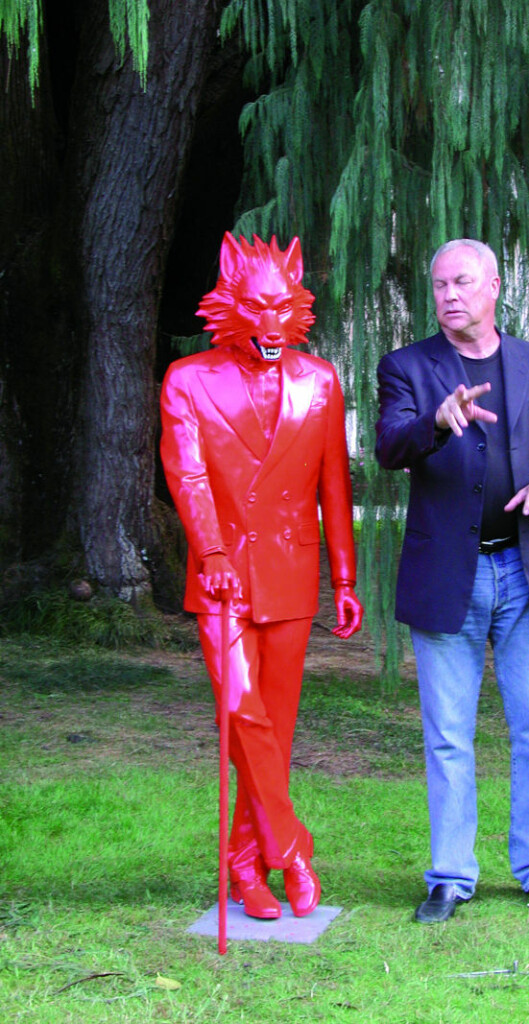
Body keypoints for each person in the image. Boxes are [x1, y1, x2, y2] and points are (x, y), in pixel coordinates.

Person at [375, 238, 529, 922]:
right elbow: (388, 447)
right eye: (438, 286)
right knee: (447, 734)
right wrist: (438, 419)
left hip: (526, 572)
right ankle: (450, 877)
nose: (448, 295)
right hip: (447, 578)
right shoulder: (407, 367)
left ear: (495, 285)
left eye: (461, 282)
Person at [160, 232, 363, 920]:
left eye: (284, 309)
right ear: (229, 301)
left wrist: (344, 577)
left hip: (294, 569)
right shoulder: (187, 380)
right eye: (258, 309)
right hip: (222, 576)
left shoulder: (322, 380)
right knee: (243, 713)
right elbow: (185, 473)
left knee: (273, 726)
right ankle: (293, 850)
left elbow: (335, 482)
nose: (272, 325)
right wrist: (212, 554)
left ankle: (245, 867)